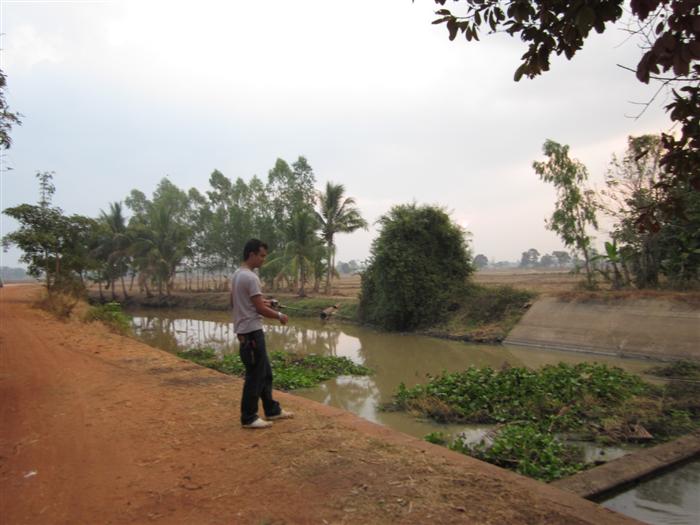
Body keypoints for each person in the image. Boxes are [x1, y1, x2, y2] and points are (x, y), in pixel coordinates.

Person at [230, 239, 293, 429]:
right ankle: (248, 417)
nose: (264, 260)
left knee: (265, 373)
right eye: (262, 255)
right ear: (252, 254)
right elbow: (259, 309)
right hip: (252, 333)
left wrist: (266, 302)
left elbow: (239, 302)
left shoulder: (237, 275)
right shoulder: (251, 277)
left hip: (246, 331)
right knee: (255, 376)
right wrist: (279, 315)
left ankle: (272, 410)